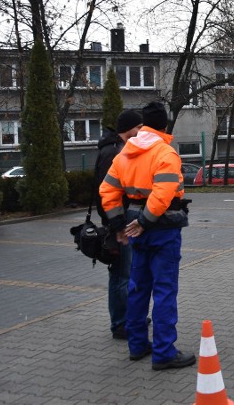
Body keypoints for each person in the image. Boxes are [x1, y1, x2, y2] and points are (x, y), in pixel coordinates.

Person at [99, 101, 196, 370]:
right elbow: (164, 192)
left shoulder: (124, 154)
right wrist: (145, 221)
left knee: (138, 287)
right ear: (164, 125)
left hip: (135, 230)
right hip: (162, 230)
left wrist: (120, 225)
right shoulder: (165, 153)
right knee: (164, 290)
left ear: (144, 125)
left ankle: (138, 345)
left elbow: (107, 191)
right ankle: (164, 352)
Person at [94, 109, 143, 340]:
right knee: (121, 274)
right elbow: (107, 192)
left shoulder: (117, 149)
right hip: (118, 223)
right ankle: (120, 324)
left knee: (127, 272)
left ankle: (130, 316)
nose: (141, 131)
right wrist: (117, 224)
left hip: (122, 220)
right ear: (128, 130)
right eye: (138, 127)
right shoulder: (113, 152)